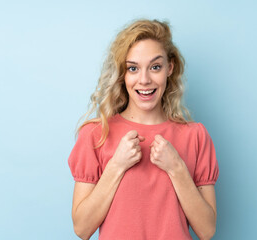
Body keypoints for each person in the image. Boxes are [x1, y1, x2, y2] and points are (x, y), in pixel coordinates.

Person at [67, 19, 219, 240]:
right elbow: (82, 229)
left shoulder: (195, 136)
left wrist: (176, 167)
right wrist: (116, 166)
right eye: (133, 68)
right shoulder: (96, 134)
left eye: (155, 67)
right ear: (123, 74)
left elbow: (207, 230)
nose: (145, 80)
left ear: (170, 68)